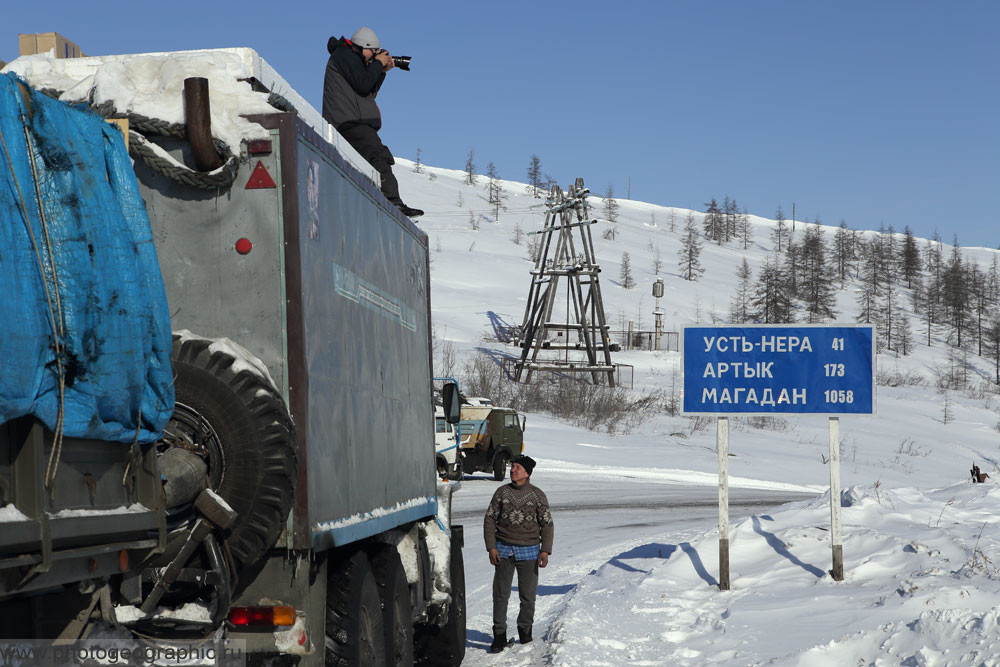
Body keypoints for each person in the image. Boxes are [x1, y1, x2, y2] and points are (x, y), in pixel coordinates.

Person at [322, 27, 423, 219]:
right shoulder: (345, 55)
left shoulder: (352, 59)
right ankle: (393, 201)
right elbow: (363, 84)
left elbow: (368, 91)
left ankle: (386, 201)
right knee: (379, 155)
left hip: (353, 121)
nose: (375, 55)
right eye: (373, 51)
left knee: (372, 161)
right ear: (362, 47)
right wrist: (377, 65)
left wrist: (382, 71)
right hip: (349, 122)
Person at [483, 455, 554, 654]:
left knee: (528, 596)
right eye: (512, 467)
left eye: (517, 467)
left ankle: (525, 631)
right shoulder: (501, 492)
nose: (512, 470)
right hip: (503, 550)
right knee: (500, 595)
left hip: (530, 551)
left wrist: (545, 550)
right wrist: (491, 547)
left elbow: (547, 524)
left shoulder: (537, 495)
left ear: (527, 473)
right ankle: (499, 636)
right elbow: (489, 520)